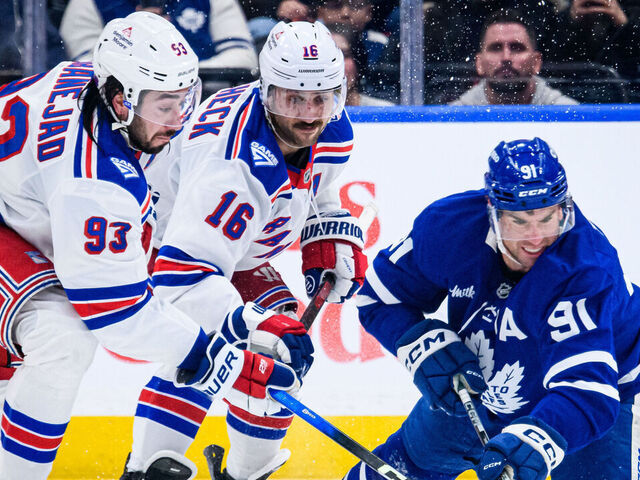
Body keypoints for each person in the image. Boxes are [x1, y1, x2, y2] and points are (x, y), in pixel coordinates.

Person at [0, 12, 298, 479]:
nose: (180, 119)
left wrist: (227, 326)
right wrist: (216, 358)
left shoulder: (94, 87)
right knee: (60, 338)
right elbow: (117, 315)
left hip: (14, 216)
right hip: (10, 222)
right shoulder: (93, 182)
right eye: (165, 105)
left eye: (187, 99)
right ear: (121, 101)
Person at [118, 20, 368, 480]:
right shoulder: (232, 166)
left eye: (322, 98)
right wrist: (249, 328)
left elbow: (320, 187)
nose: (309, 115)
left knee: (282, 351)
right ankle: (149, 465)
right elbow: (182, 280)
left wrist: (325, 230)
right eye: (293, 99)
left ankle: (249, 472)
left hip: (230, 254)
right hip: (166, 245)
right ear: (267, 91)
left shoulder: (329, 124)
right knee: (206, 344)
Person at [344, 137, 640, 480]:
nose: (536, 238)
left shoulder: (585, 268)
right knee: (399, 469)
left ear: (564, 209)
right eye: (519, 221)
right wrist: (417, 342)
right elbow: (379, 297)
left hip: (592, 397)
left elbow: (586, 390)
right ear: (493, 211)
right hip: (484, 383)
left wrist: (534, 441)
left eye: (547, 218)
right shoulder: (450, 228)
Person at [59, 0, 258, 70]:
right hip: (121, 115)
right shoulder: (89, 3)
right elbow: (84, 67)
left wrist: (182, 76)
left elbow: (243, 59)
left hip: (203, 107)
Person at [450, 10, 578, 105]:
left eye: (517, 48)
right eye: (496, 48)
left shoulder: (571, 117)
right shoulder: (451, 121)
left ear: (537, 62)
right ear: (479, 63)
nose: (506, 57)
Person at [549, 0, 640, 78]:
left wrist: (624, 25)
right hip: (572, 88)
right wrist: (570, 22)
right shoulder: (555, 14)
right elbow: (548, 64)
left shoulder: (633, 8)